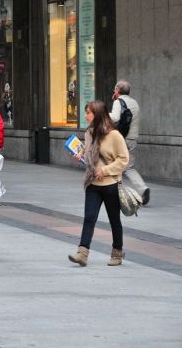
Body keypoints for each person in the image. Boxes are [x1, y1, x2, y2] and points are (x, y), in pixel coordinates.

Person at [69, 101, 130, 267]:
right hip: (93, 183)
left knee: (114, 220)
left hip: (110, 184)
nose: (86, 116)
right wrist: (81, 154)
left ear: (98, 114)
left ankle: (117, 252)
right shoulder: (89, 133)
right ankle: (82, 253)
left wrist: (106, 170)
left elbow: (124, 159)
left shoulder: (114, 135)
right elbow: (90, 154)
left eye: (88, 112)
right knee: (89, 218)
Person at [109, 80, 147, 204]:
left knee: (112, 163)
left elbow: (115, 117)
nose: (114, 91)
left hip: (121, 139)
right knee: (128, 167)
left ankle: (112, 192)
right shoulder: (134, 103)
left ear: (117, 90)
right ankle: (143, 189)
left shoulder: (118, 102)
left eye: (115, 89)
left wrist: (102, 114)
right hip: (132, 139)